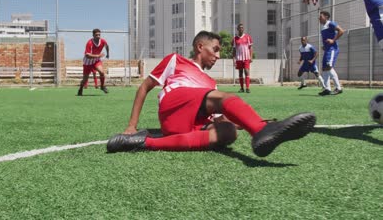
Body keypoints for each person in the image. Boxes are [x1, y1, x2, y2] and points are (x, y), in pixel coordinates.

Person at [107, 31, 316, 157]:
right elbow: (144, 87)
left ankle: (146, 143)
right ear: (200, 47)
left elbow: (220, 116)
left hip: (186, 124)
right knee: (220, 98)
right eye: (215, 50)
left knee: (228, 132)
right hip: (174, 104)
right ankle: (261, 131)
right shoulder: (176, 60)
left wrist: (241, 122)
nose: (218, 56)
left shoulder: (210, 83)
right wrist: (132, 125)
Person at [318, 11, 345, 96]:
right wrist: (325, 46)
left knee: (328, 67)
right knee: (324, 68)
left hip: (332, 49)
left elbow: (341, 31)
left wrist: (333, 40)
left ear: (326, 17)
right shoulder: (323, 27)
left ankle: (338, 88)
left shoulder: (331, 23)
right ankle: (327, 89)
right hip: (327, 49)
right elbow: (327, 39)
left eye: (321, 16)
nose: (319, 18)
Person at [77, 28, 109, 96]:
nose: (98, 36)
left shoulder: (102, 41)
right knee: (85, 80)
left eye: (99, 35)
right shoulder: (89, 43)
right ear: (93, 35)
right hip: (87, 63)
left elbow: (107, 46)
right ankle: (80, 88)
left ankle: (102, 86)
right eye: (96, 35)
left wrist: (108, 54)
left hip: (96, 61)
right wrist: (98, 55)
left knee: (102, 72)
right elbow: (87, 55)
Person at [232, 23, 254, 93]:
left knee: (246, 71)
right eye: (240, 28)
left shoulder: (248, 37)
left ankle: (247, 88)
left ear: (243, 29)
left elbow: (250, 48)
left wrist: (251, 57)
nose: (241, 29)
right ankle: (242, 88)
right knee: (240, 73)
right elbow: (234, 50)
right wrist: (234, 60)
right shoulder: (235, 39)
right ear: (237, 29)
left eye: (242, 28)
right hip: (239, 58)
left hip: (246, 58)